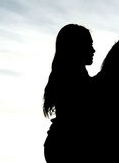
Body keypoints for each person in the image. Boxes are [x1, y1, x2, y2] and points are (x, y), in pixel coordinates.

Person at [43, 24, 95, 162]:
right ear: (77, 46)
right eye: (89, 44)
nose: (93, 50)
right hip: (69, 146)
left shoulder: (69, 75)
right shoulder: (72, 77)